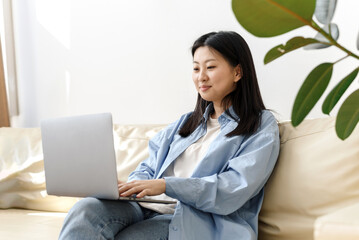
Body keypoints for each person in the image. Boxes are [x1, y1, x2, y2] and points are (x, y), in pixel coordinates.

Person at [59, 31, 280, 240]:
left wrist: (167, 185)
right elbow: (149, 167)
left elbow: (232, 189)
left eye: (210, 67)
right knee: (86, 209)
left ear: (237, 72)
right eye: (195, 69)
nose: (201, 77)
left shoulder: (259, 124)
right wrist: (131, 186)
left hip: (195, 219)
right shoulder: (186, 123)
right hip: (147, 206)